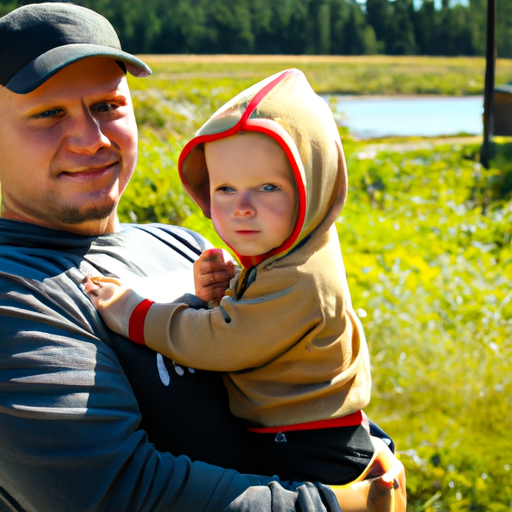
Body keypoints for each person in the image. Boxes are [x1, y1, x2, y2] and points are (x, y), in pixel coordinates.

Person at [0, 3, 406, 511]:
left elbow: (299, 368)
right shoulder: (14, 294)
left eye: (107, 105)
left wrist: (374, 452)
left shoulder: (184, 244)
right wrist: (338, 505)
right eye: (48, 113)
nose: (91, 139)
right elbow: (118, 494)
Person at [87, 68, 382, 486]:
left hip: (310, 447)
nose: (241, 207)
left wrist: (133, 311)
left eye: (267, 188)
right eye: (225, 189)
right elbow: (261, 316)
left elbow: (220, 341)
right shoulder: (293, 250)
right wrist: (226, 288)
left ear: (311, 189)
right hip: (298, 434)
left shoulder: (302, 277)